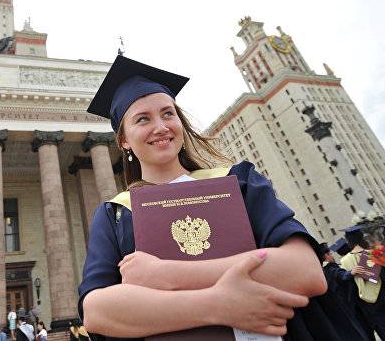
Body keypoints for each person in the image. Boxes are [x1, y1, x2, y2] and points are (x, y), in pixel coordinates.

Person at [78, 55, 327, 340]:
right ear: (124, 140)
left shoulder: (237, 181)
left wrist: (167, 274)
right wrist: (217, 305)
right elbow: (96, 311)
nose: (160, 126)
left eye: (168, 114)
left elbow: (306, 270)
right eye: (143, 119)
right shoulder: (117, 212)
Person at [314, 242, 375, 340]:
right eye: (330, 253)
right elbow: (341, 275)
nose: (332, 255)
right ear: (327, 256)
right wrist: (351, 272)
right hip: (351, 306)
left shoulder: (323, 272)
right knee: (365, 331)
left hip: (343, 308)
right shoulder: (330, 268)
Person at [340, 224, 385, 338]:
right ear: (362, 238)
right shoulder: (375, 253)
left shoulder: (344, 261)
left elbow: (349, 286)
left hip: (366, 304)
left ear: (349, 241)